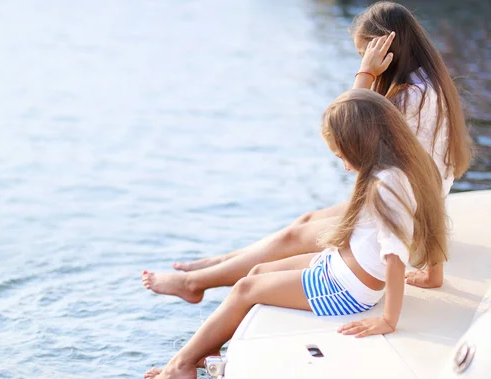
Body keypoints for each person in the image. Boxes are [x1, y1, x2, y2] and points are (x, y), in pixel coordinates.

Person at [141, 1, 472, 303]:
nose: (363, 62)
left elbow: (346, 129)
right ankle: (222, 263)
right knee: (306, 222)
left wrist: (366, 74)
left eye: (365, 54)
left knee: (293, 236)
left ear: (387, 51)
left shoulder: (411, 98)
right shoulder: (430, 82)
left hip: (403, 220)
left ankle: (196, 283)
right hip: (416, 209)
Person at [144, 89, 449, 379]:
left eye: (344, 156)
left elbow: (394, 255)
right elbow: (434, 219)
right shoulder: (398, 164)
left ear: (362, 144)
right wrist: (434, 275)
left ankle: (181, 364)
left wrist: (388, 319)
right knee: (258, 272)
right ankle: (208, 347)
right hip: (336, 266)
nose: (344, 165)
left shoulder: (387, 185)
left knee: (245, 288)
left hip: (345, 289)